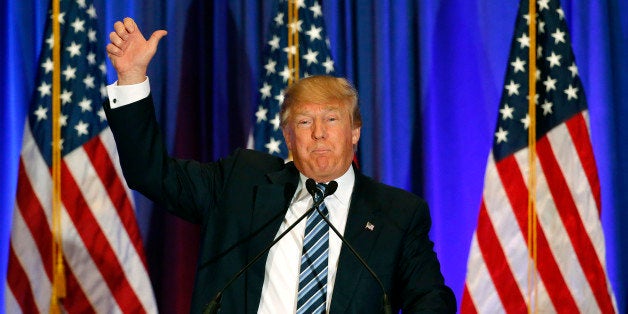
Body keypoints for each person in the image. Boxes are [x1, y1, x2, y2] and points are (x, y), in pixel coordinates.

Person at [104, 17, 456, 313]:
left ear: (355, 133)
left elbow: (429, 299)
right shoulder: (240, 183)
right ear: (288, 138)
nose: (319, 133)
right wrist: (132, 78)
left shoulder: (397, 213)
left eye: (332, 120)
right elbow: (151, 174)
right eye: (304, 122)